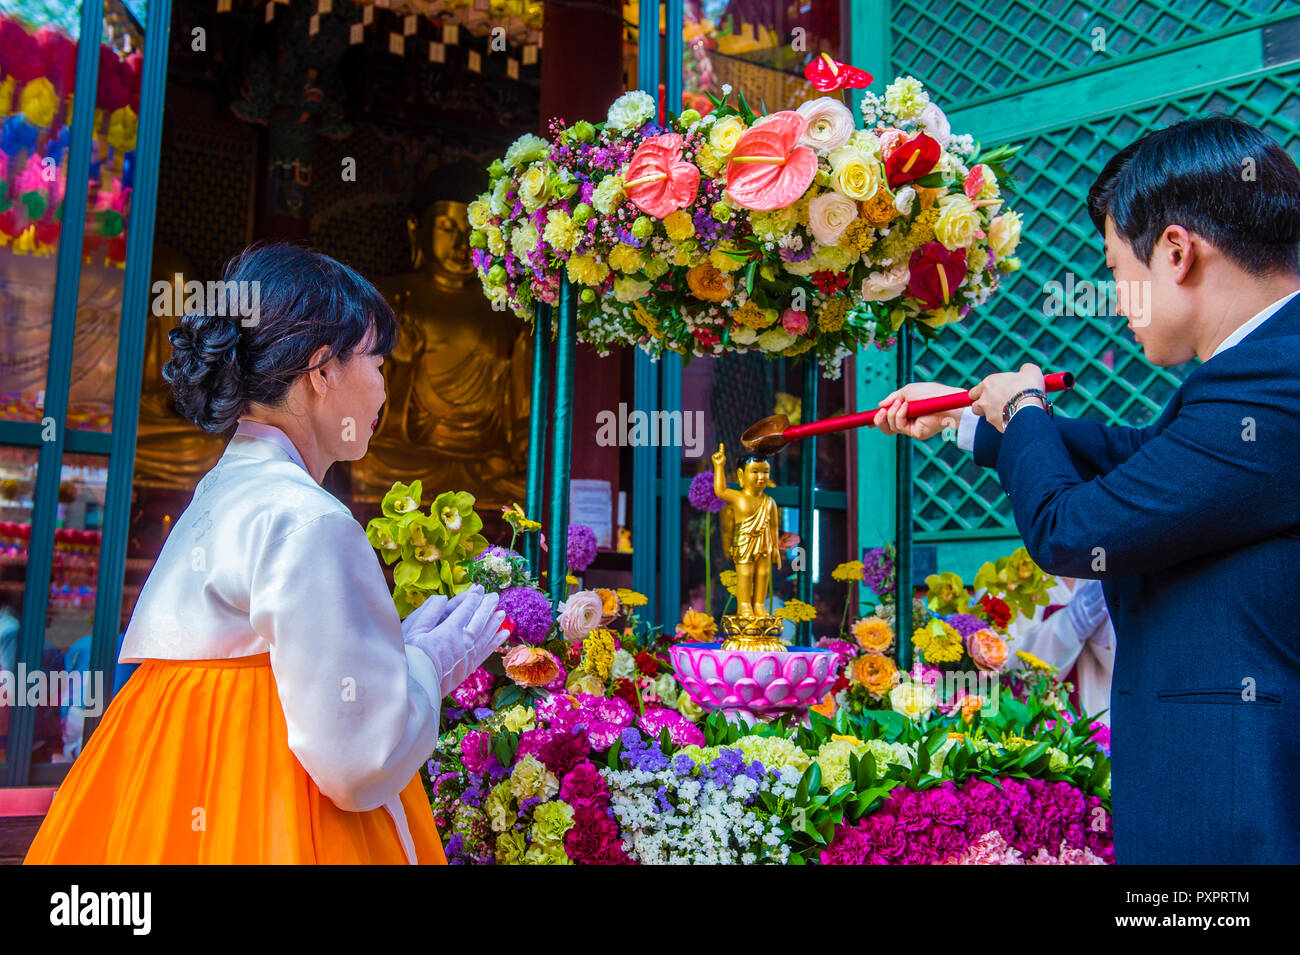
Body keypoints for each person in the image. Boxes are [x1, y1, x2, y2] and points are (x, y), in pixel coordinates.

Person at [874, 115, 1300, 864]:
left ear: (1176, 250)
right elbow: (1141, 457)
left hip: (1239, 824)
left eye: (1114, 268)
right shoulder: (1258, 369)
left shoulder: (1275, 379)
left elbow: (1071, 527)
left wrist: (1025, 406)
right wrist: (966, 419)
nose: (1113, 295)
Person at [25, 243, 508, 864]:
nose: (387, 387)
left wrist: (389, 651)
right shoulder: (308, 520)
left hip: (166, 801)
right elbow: (356, 758)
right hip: (270, 817)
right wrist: (428, 665)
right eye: (379, 363)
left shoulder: (222, 491)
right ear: (322, 372)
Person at [1003, 577, 1114, 727]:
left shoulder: (1105, 577)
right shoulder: (1008, 581)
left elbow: (1130, 668)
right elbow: (1006, 671)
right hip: (1031, 726)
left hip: (1101, 716)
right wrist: (1071, 623)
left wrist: (1107, 640)